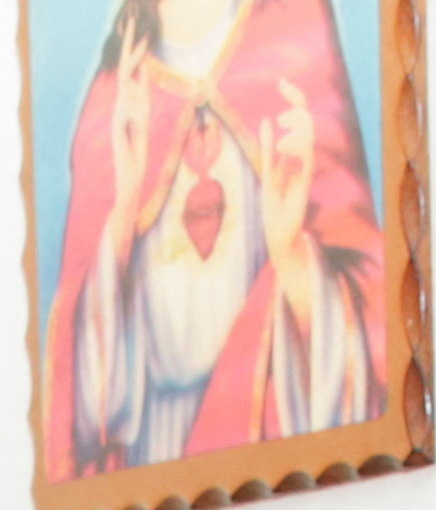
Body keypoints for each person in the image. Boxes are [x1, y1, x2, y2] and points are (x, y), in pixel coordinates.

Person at [40, 0, 393, 477]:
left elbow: (370, 323)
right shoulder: (115, 87)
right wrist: (123, 215)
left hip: (261, 438)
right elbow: (77, 413)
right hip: (150, 470)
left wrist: (291, 255)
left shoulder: (297, 32)